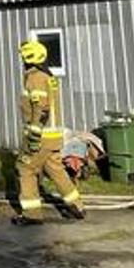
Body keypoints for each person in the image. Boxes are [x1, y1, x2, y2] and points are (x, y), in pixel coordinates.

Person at [14, 39, 84, 225]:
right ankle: (76, 205)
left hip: (41, 137)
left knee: (25, 169)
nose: (22, 61)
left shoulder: (35, 77)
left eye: (23, 57)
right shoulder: (48, 76)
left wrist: (34, 136)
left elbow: (42, 108)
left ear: (29, 58)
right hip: (53, 138)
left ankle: (32, 214)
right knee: (56, 171)